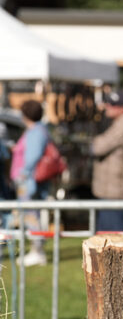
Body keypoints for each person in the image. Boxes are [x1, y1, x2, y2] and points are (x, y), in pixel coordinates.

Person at [11, 100, 52, 266]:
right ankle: (36, 250)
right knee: (30, 215)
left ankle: (37, 251)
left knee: (30, 216)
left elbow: (32, 156)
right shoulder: (37, 130)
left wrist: (22, 174)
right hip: (27, 181)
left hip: (27, 182)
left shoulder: (36, 132)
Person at [92, 90, 123, 232]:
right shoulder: (118, 123)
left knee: (114, 242)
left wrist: (94, 140)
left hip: (115, 191)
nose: (107, 107)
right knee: (106, 241)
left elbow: (98, 147)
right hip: (110, 189)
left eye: (112, 105)